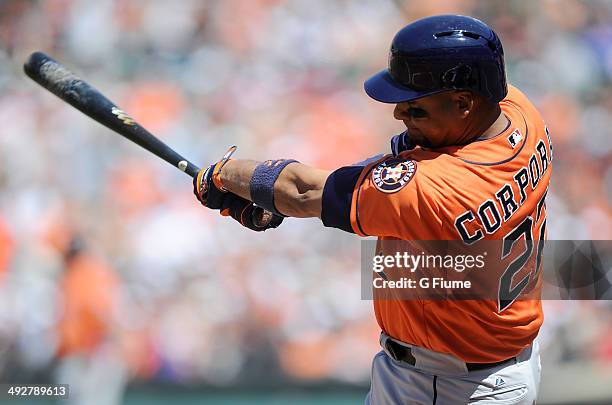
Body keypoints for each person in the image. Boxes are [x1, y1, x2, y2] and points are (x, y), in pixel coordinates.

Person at [193, 14, 552, 404]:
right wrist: (265, 195)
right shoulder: (519, 113)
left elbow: (301, 191)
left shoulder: (437, 189)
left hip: (450, 387)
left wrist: (224, 176)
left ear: (464, 102)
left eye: (416, 108)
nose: (399, 114)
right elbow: (396, 169)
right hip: (485, 365)